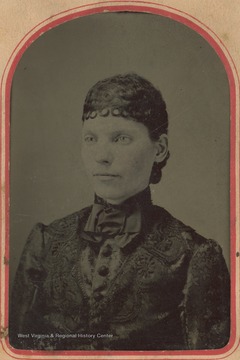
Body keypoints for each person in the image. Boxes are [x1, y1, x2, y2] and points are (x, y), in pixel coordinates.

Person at [9, 73, 230, 351]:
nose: (101, 155)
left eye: (121, 138)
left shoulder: (193, 257)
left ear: (159, 149)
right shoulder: (46, 241)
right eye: (91, 139)